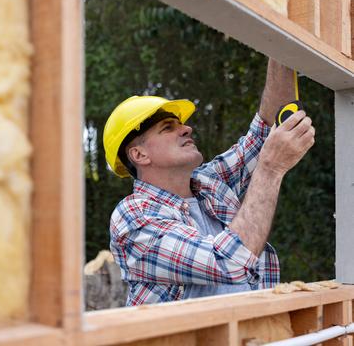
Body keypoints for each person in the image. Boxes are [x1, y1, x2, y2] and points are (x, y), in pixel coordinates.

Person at [103, 60, 315, 305]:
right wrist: (270, 169)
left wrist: (281, 43)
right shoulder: (133, 217)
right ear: (139, 155)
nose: (187, 129)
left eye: (181, 124)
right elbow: (228, 263)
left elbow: (266, 131)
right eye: (167, 127)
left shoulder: (209, 183)